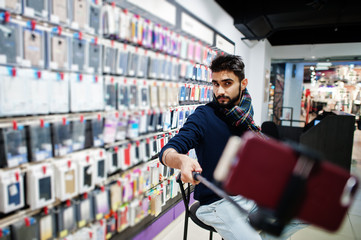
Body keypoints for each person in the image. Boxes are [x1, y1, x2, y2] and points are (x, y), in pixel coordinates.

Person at [159, 54, 306, 240]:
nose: (219, 91)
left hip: (249, 195)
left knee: (306, 210)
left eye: (227, 83)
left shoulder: (245, 115)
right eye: (215, 84)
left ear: (243, 83)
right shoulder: (203, 116)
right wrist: (181, 160)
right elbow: (168, 151)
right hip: (216, 203)